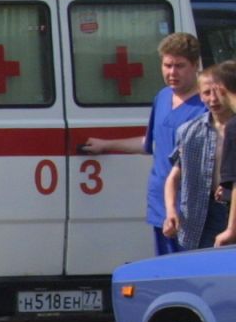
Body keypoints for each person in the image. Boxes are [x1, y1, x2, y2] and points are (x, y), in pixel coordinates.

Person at [80, 32, 204, 257]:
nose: (172, 72)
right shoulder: (163, 97)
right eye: (167, 65)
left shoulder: (206, 107)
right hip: (160, 205)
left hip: (191, 210)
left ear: (195, 65)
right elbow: (150, 143)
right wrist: (106, 145)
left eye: (179, 66)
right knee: (164, 273)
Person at [163, 61, 236, 251]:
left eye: (218, 92)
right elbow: (173, 177)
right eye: (206, 93)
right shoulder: (189, 131)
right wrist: (171, 210)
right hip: (202, 213)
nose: (213, 99)